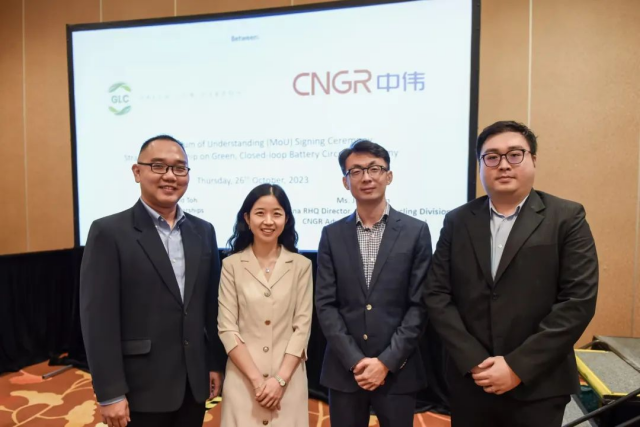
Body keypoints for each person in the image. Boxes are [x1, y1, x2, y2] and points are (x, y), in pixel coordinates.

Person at [425, 121, 599, 427]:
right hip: (472, 383)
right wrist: (474, 361)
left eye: (515, 155)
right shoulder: (457, 221)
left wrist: (517, 366)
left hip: (539, 385)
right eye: (491, 157)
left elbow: (578, 301)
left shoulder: (566, 217)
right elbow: (437, 294)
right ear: (480, 165)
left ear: (533, 160)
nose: (503, 165)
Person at [80, 135, 226, 427]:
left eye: (179, 168)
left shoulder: (203, 231)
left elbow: (210, 307)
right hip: (139, 387)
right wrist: (110, 393)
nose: (170, 176)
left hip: (193, 383)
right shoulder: (109, 232)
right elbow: (98, 320)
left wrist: (213, 364)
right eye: (158, 166)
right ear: (137, 172)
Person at [315, 139, 432, 427]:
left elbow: (419, 305)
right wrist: (355, 361)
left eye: (374, 169)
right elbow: (326, 304)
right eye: (356, 171)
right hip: (345, 371)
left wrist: (386, 362)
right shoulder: (331, 234)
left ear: (388, 176)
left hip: (397, 371)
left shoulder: (416, 231)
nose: (366, 177)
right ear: (346, 182)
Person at [218, 183, 312, 427]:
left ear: (286, 219)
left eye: (276, 214)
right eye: (260, 213)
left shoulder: (301, 266)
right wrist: (258, 382)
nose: (268, 221)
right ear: (247, 218)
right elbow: (227, 328)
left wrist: (279, 381)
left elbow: (302, 328)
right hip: (243, 381)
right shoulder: (231, 265)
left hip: (288, 382)